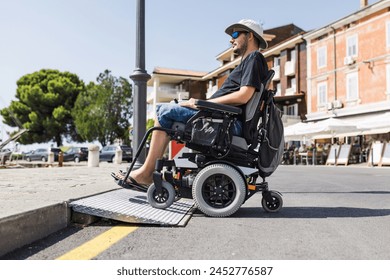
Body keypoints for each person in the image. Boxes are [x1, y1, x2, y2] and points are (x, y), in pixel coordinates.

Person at [113, 19, 269, 191]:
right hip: (221, 118)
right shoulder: (249, 62)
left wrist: (201, 104)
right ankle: (146, 172)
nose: (231, 40)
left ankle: (146, 173)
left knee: (163, 111)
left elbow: (244, 95)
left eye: (235, 34)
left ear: (250, 36)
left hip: (226, 123)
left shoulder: (254, 58)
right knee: (167, 111)